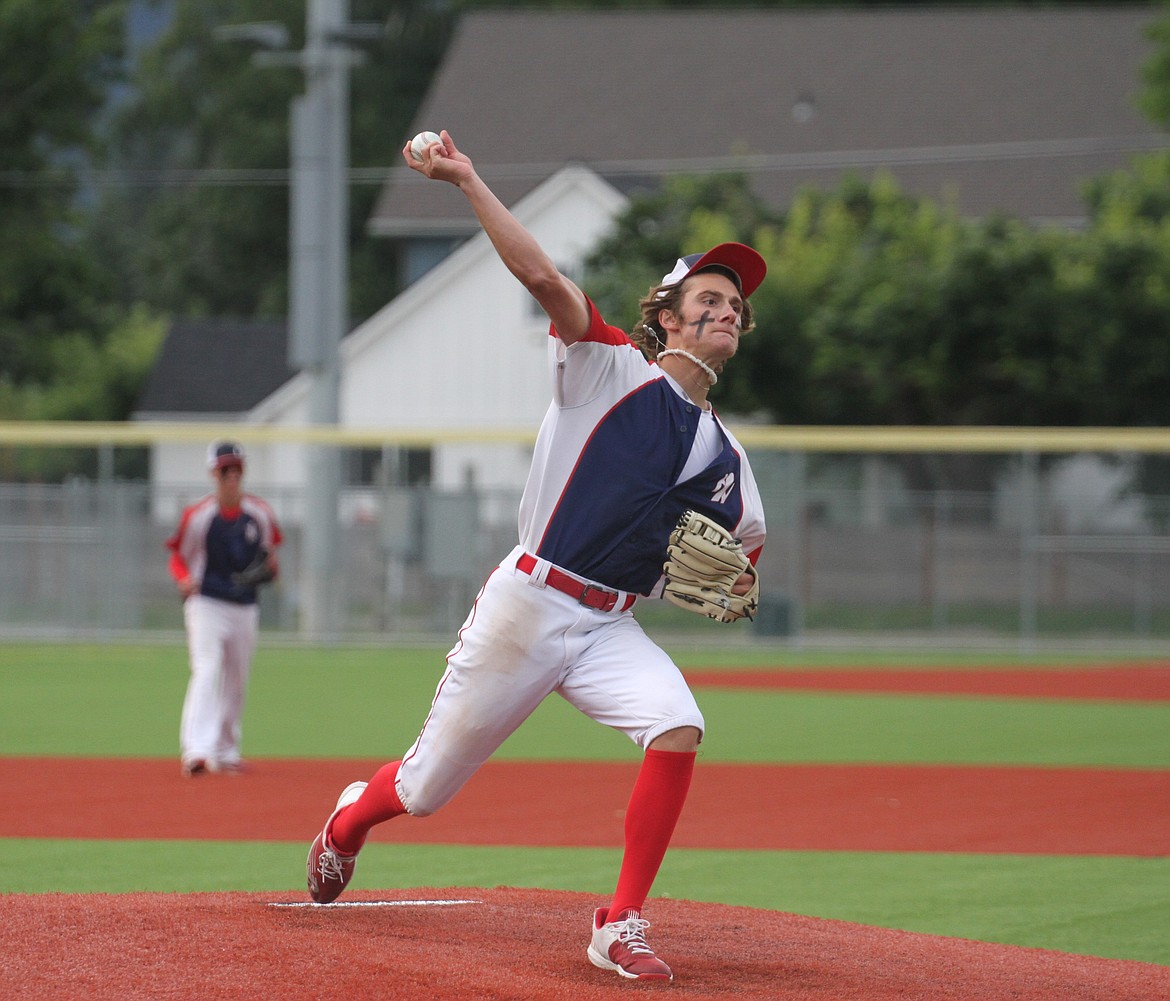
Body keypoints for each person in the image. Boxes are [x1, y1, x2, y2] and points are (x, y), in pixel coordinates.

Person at [306, 130, 766, 982]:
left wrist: (734, 576)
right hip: (529, 603)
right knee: (425, 788)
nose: (726, 309)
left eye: (736, 304)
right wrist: (468, 180)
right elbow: (543, 280)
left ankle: (618, 923)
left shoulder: (726, 456)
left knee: (678, 724)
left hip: (610, 627)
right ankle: (347, 823)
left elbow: (745, 550)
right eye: (707, 296)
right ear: (664, 315)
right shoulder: (609, 368)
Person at [166, 441, 282, 777]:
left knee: (237, 677)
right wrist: (184, 578)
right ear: (213, 474)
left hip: (244, 606)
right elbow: (177, 555)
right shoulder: (199, 516)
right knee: (207, 668)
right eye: (224, 470)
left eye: (236, 469)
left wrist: (270, 571)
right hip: (207, 603)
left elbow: (270, 555)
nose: (231, 476)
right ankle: (197, 751)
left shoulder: (258, 512)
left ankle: (225, 750)